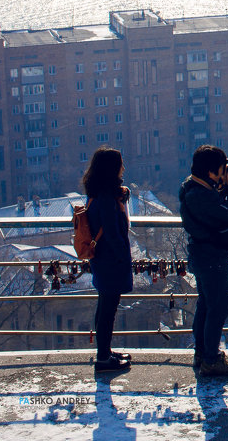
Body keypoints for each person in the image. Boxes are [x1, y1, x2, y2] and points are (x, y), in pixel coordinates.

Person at [179, 145, 228, 377]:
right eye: (221, 168)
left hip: (203, 255)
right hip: (211, 257)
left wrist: (221, 185)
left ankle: (202, 354)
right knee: (217, 308)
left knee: (206, 306)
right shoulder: (199, 195)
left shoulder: (193, 186)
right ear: (211, 172)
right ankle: (210, 359)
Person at [82, 146, 133, 373]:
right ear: (112, 168)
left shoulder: (99, 193)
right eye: (120, 163)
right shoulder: (105, 198)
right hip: (110, 260)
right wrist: (124, 258)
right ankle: (104, 358)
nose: (123, 167)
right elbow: (112, 232)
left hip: (102, 259)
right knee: (108, 309)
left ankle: (105, 351)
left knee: (105, 305)